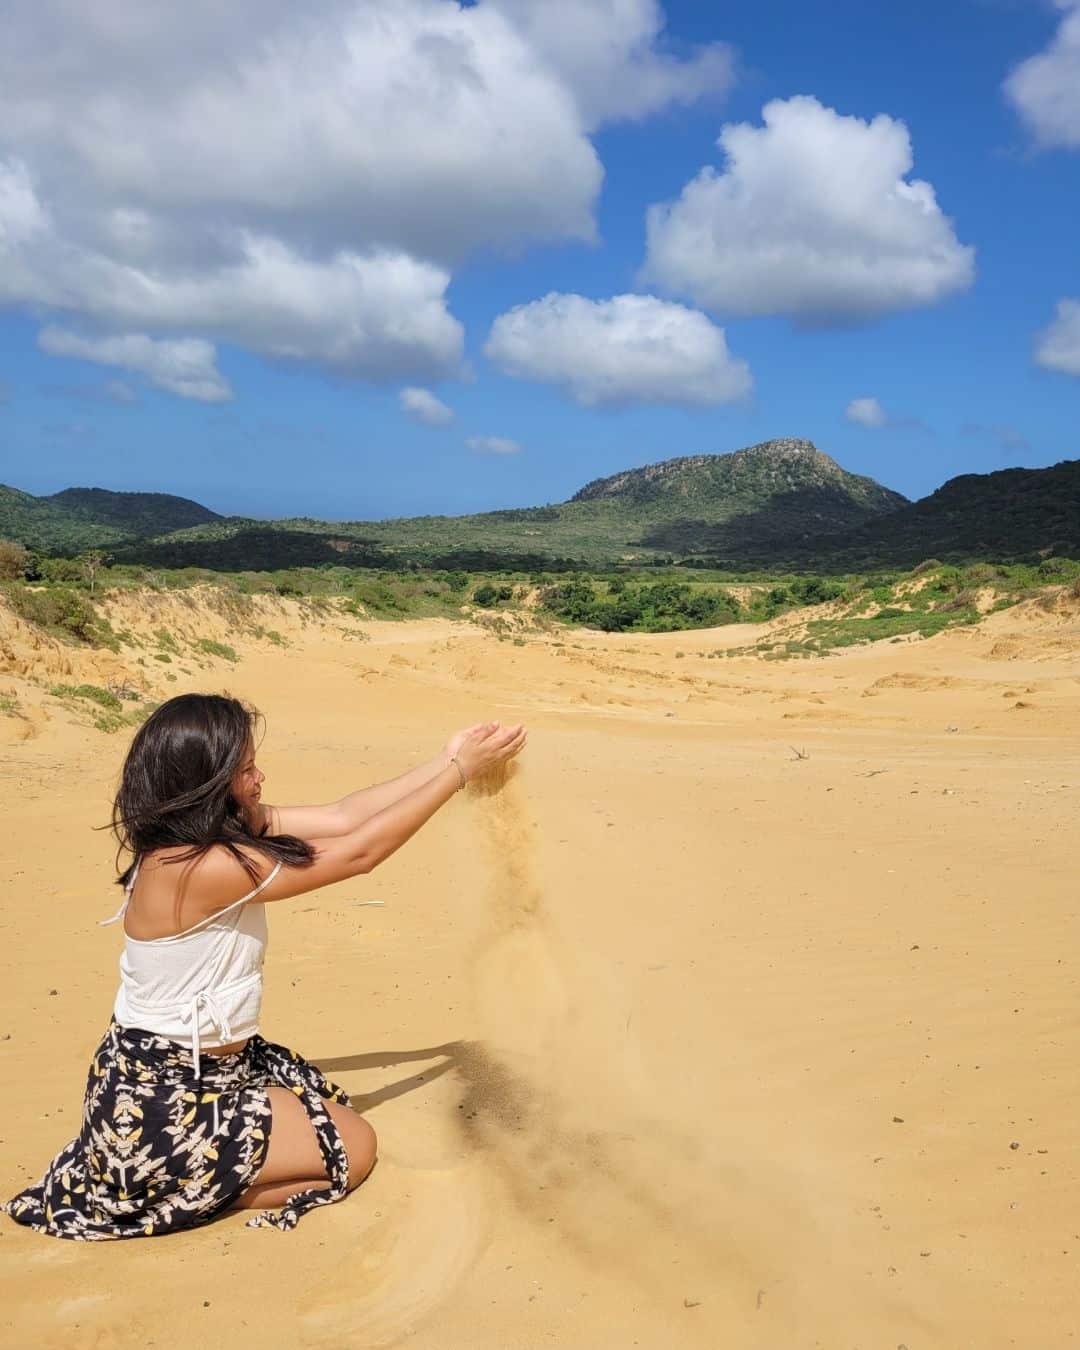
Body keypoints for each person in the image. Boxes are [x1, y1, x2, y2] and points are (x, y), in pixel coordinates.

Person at [1, 692, 526, 1239]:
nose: (260, 778)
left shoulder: (204, 838)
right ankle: (180, 1192)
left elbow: (344, 816)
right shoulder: (198, 867)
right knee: (354, 1146)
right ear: (207, 782)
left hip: (186, 1076)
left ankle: (182, 1176)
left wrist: (447, 762)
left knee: (319, 1101)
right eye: (246, 769)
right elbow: (358, 853)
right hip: (163, 1103)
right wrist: (460, 776)